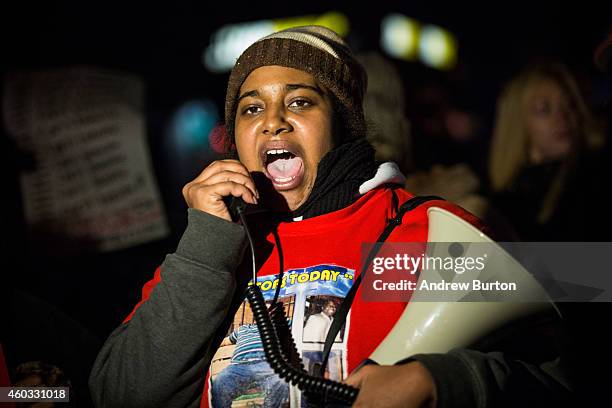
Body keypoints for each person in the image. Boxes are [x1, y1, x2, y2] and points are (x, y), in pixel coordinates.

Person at [89, 26, 573, 407]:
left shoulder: (415, 234)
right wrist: (206, 249)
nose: (272, 121)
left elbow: (560, 384)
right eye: (250, 108)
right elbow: (117, 394)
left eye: (300, 102)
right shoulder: (214, 248)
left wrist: (441, 383)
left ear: (342, 125)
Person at [488, 62, 607, 241]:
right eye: (544, 109)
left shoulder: (595, 178)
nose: (562, 117)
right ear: (519, 123)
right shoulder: (501, 201)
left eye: (570, 105)